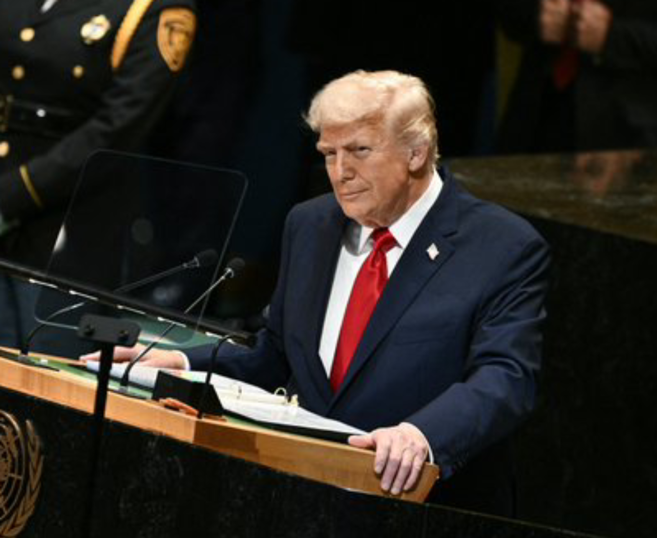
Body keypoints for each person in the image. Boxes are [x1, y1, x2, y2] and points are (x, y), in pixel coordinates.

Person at [92, 70, 550, 517]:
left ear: (416, 151)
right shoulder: (310, 224)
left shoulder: (501, 246)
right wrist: (183, 363)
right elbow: (277, 353)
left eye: (359, 150)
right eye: (329, 153)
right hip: (301, 500)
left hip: (421, 508)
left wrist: (422, 435)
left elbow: (505, 377)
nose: (340, 172)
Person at [0, 0, 197, 347]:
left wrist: (13, 193)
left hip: (69, 214)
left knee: (41, 355)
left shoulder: (156, 9)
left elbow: (119, 127)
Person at [496, 0, 657, 153]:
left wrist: (611, 37)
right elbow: (506, 12)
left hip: (636, 134)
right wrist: (537, 14)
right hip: (537, 114)